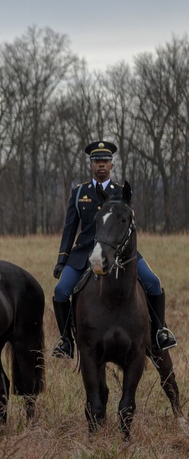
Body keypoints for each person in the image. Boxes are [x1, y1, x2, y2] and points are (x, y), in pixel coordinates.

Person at [52, 140, 177, 358]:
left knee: (154, 283)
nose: (101, 165)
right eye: (97, 161)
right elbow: (70, 228)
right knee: (61, 291)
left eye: (105, 161)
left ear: (112, 165)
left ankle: (159, 333)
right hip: (84, 253)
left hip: (119, 251)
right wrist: (62, 259)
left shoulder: (122, 192)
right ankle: (66, 341)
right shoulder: (79, 191)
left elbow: (129, 226)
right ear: (91, 165)